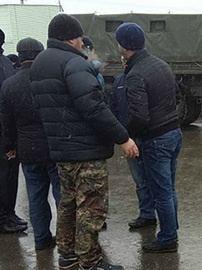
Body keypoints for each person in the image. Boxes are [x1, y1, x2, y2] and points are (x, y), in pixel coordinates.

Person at [30, 14, 138, 270]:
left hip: (61, 151)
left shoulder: (39, 64)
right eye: (79, 38)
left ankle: (67, 257)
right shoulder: (74, 64)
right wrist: (123, 138)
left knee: (67, 206)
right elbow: (94, 107)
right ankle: (91, 262)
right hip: (86, 153)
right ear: (70, 38)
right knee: (91, 211)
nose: (82, 43)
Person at [115, 22, 182, 253]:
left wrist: (127, 136)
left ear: (124, 47)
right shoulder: (161, 65)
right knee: (169, 188)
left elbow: (140, 117)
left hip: (156, 139)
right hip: (173, 133)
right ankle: (171, 227)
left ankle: (167, 239)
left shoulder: (135, 75)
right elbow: (177, 96)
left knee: (160, 192)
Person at [0, 37, 61, 250]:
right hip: (54, 147)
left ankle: (42, 240)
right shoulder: (51, 80)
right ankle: (66, 240)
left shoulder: (9, 85)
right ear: (40, 53)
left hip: (27, 150)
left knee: (36, 197)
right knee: (62, 196)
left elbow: (6, 123)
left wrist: (9, 147)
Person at [109, 56, 157, 230]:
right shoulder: (119, 81)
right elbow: (112, 108)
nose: (124, 60)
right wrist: (120, 134)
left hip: (150, 137)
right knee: (140, 179)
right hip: (129, 139)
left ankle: (163, 214)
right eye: (122, 58)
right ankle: (147, 214)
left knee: (156, 177)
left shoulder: (147, 76)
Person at [0, 28, 27, 234]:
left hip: (8, 129)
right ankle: (3, 217)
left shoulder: (5, 62)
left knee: (10, 174)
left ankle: (9, 212)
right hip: (5, 129)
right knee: (4, 174)